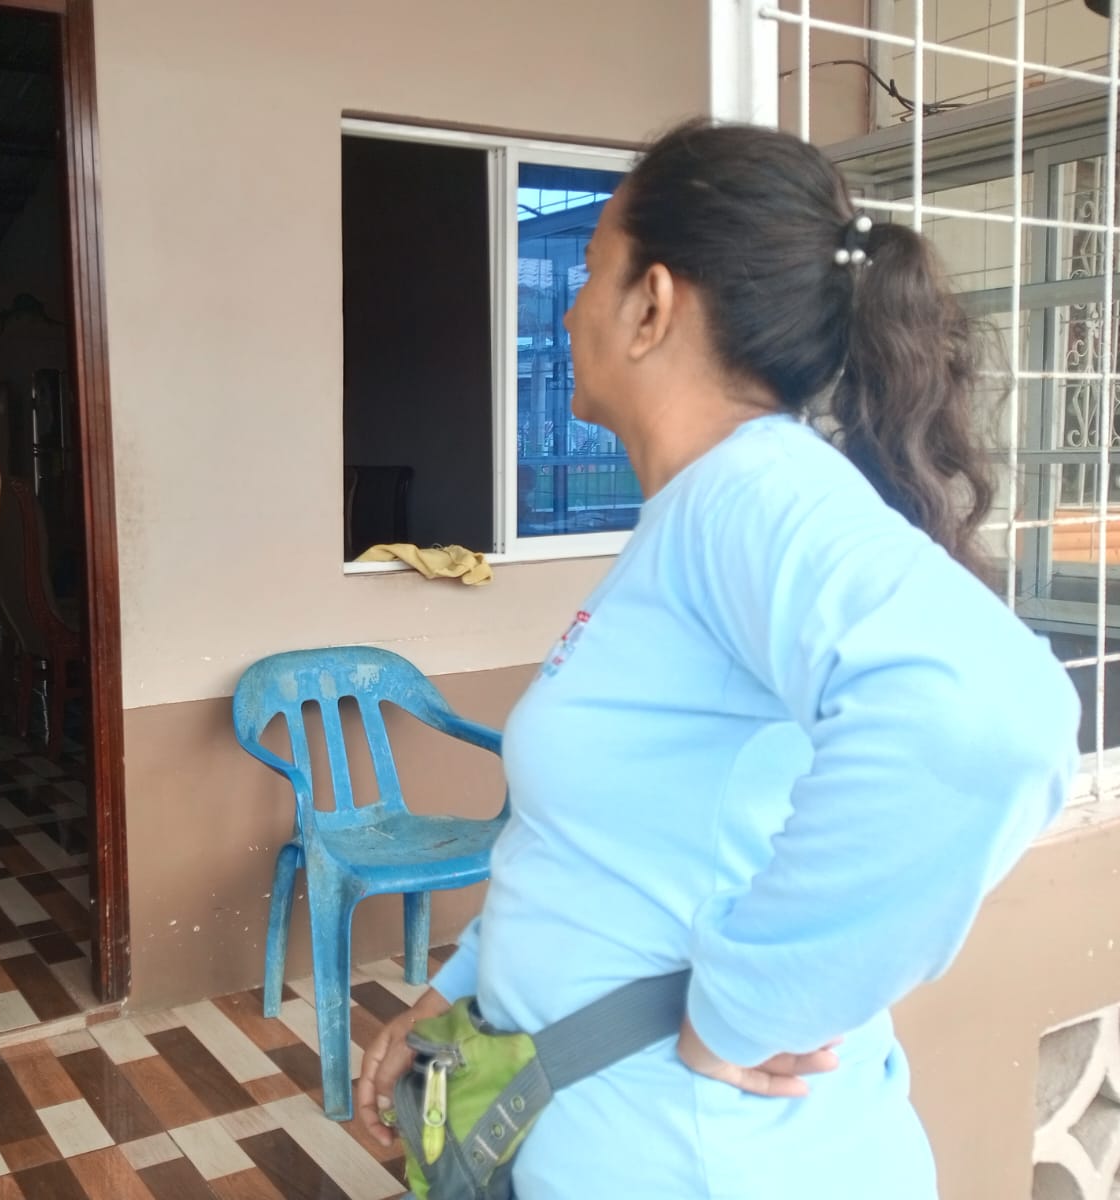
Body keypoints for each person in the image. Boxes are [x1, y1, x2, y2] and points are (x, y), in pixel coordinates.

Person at [356, 121, 1080, 1199]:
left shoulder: (751, 494)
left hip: (706, 1161)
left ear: (651, 305)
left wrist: (751, 1007)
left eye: (589, 273)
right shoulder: (697, 511)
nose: (568, 308)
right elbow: (604, 848)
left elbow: (987, 720)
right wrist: (456, 989)